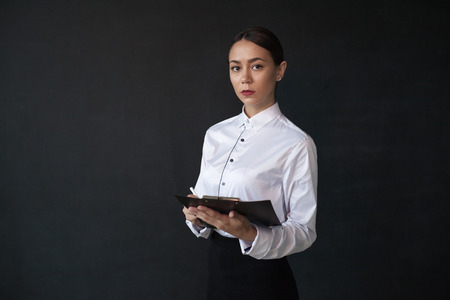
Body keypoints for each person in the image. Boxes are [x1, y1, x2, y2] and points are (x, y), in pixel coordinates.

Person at [182, 27, 318, 300]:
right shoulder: (215, 134)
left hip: (265, 279)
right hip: (218, 270)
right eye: (235, 68)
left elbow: (304, 231)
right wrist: (195, 217)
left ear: (279, 70)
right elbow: (201, 200)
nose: (245, 78)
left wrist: (249, 232)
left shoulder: (296, 143)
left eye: (257, 66)